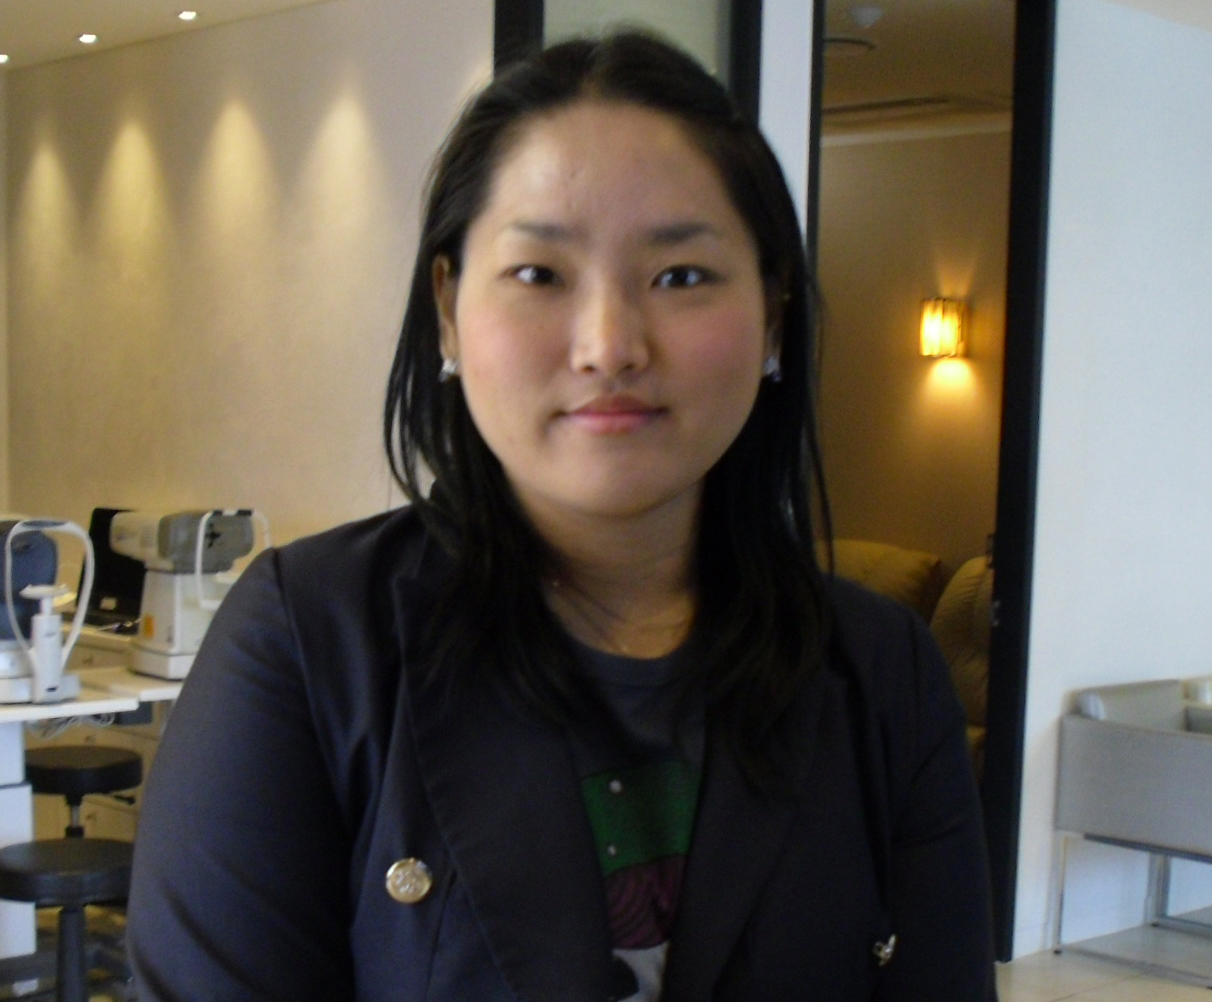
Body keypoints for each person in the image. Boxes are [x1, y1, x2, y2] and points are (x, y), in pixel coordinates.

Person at [128, 31, 997, 1002]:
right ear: (449, 308)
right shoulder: (307, 643)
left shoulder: (884, 675)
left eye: (681, 275)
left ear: (774, 316)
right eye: (540, 274)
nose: (609, 345)